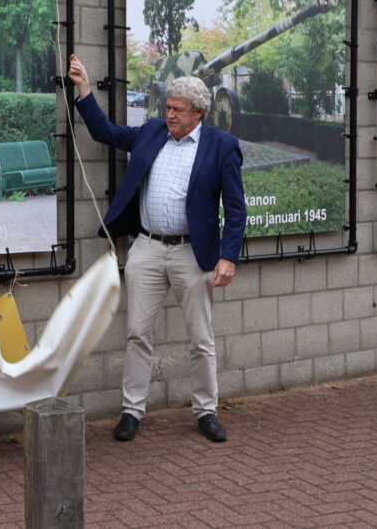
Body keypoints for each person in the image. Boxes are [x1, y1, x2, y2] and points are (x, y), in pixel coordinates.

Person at [67, 54, 246, 443]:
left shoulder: (222, 147)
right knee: (137, 334)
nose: (170, 115)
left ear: (199, 113)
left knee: (200, 338)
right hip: (147, 249)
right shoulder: (151, 133)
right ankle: (132, 411)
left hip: (192, 253)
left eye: (179, 110)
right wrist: (84, 87)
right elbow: (106, 133)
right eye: (168, 107)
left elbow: (236, 209)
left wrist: (228, 256)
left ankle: (206, 412)